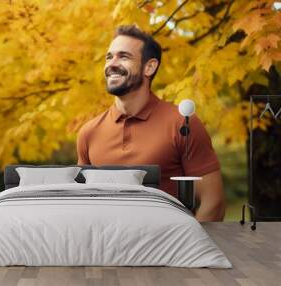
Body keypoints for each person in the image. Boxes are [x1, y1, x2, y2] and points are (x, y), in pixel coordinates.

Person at [76, 25, 225, 222]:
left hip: (167, 249)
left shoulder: (181, 124)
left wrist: (187, 248)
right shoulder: (88, 132)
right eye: (109, 57)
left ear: (150, 67)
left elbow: (213, 202)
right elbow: (82, 203)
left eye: (123, 56)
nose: (112, 63)